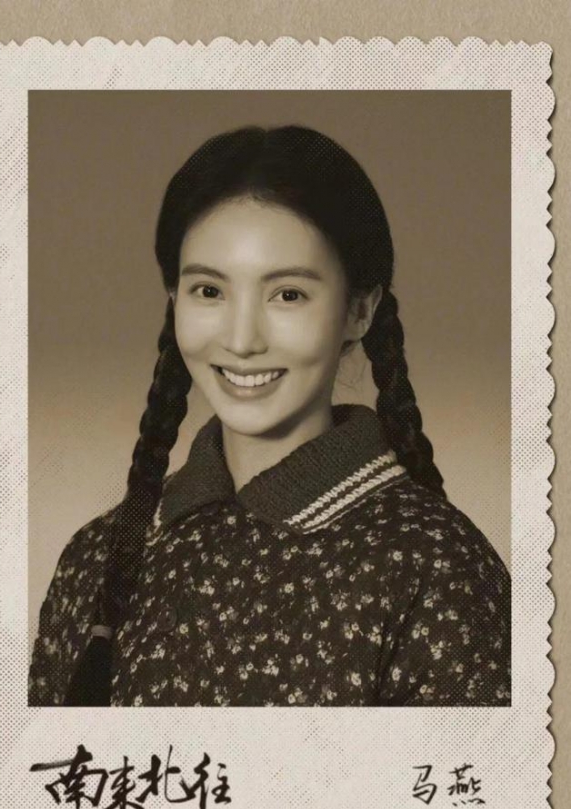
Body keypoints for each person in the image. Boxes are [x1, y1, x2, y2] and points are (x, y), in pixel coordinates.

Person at [29, 124, 511, 708]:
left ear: (360, 310)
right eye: (209, 291)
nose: (242, 340)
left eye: (288, 295)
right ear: (174, 301)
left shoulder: (437, 568)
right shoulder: (97, 558)